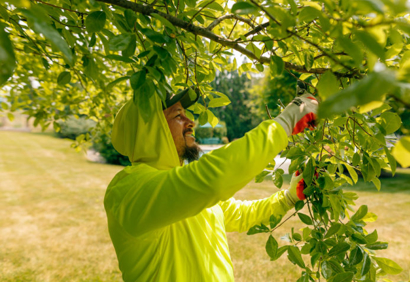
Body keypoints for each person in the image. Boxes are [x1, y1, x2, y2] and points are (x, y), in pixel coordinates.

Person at [104, 86, 318, 281]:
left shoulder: (187, 185)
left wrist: (289, 197)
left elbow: (240, 214)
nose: (190, 122)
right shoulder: (127, 189)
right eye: (178, 115)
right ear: (149, 130)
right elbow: (213, 179)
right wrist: (285, 123)